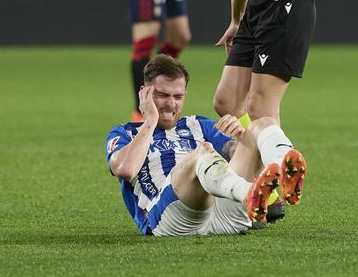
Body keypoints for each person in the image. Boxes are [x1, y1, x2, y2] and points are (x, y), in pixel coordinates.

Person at [131, 0, 315, 208]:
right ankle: (266, 181)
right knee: (227, 101)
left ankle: (278, 178)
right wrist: (236, 20)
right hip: (257, 4)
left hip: (287, 0)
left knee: (260, 107)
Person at [105, 55, 307, 236]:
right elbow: (125, 169)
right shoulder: (125, 133)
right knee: (202, 152)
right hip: (170, 219)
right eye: (162, 95)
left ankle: (285, 164)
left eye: (178, 97)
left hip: (223, 216)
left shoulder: (198, 125)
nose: (171, 104)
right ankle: (250, 194)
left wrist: (241, 136)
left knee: (260, 125)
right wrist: (149, 120)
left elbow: (235, 153)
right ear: (145, 94)